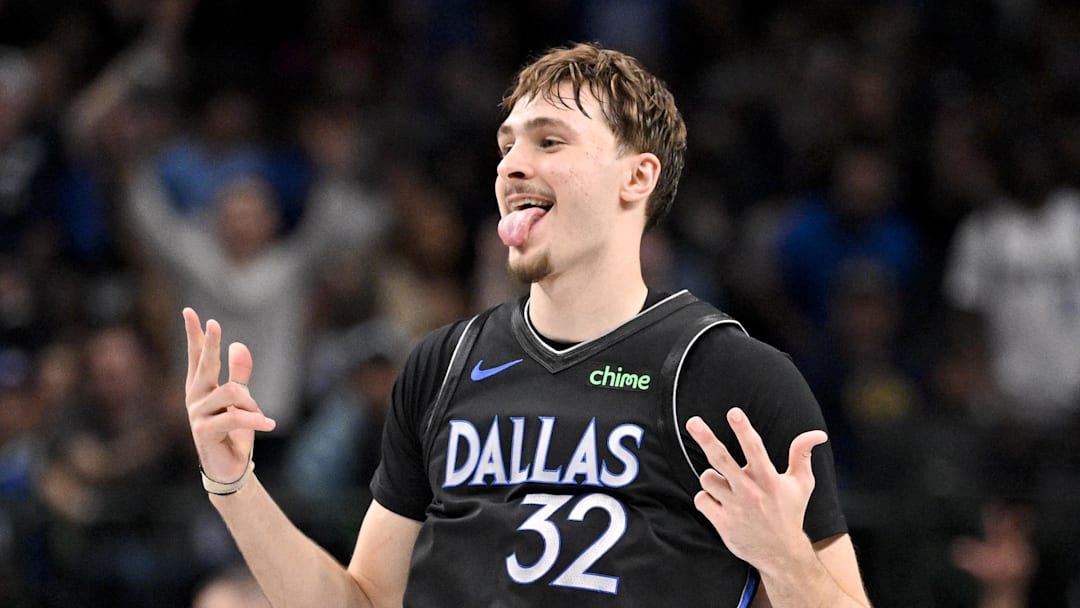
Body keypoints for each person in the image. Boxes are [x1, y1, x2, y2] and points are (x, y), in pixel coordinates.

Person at [181, 42, 870, 606]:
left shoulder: (731, 377)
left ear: (637, 178)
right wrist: (235, 487)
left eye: (550, 141)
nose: (513, 164)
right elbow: (364, 602)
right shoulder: (441, 366)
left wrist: (786, 563)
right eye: (508, 145)